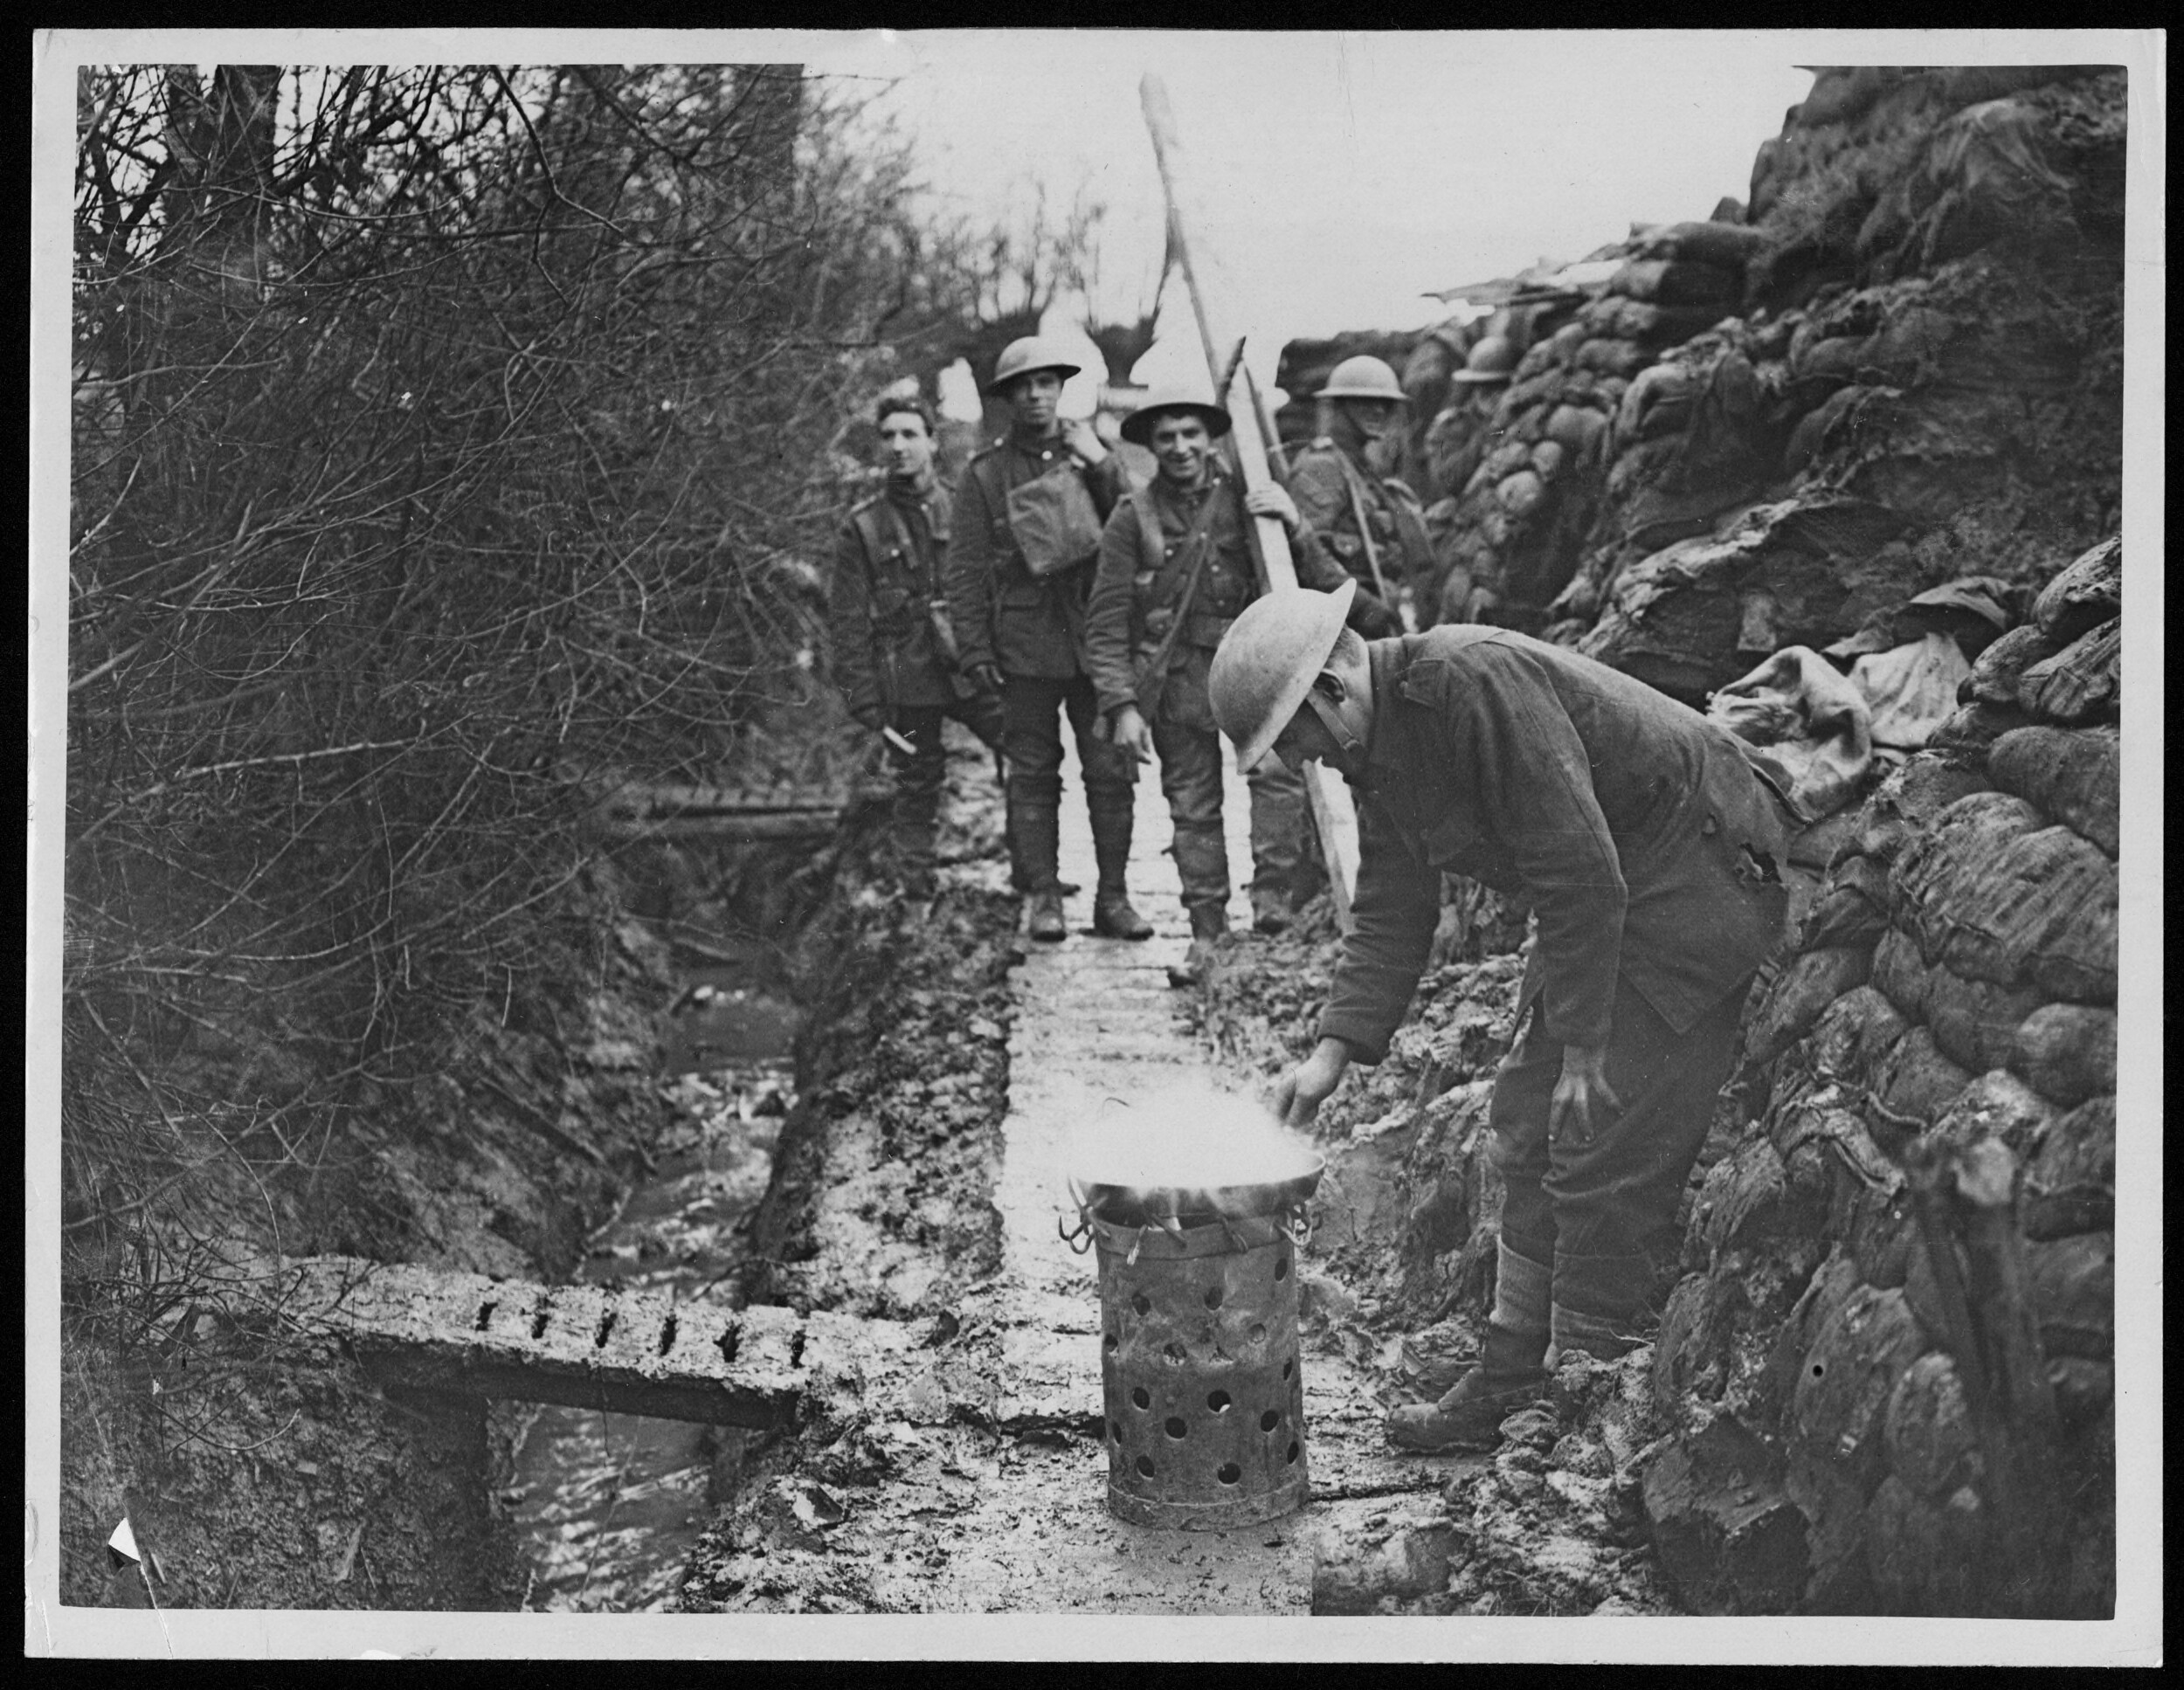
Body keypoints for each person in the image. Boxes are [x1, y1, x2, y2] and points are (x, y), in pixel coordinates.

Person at [1207, 587, 1791, 1451]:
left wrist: (1589, 1050)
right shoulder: (1384, 746)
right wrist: (1328, 1059)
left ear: (1332, 689)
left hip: (1693, 876)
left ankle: (1585, 1384)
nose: (1310, 766)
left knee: (1603, 1134)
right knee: (1524, 1119)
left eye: (1300, 744)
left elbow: (1581, 872)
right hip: (1606, 899)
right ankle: (1513, 1373)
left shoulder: (1469, 687)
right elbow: (1391, 912)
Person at [1083, 386, 1389, 981]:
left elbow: (1321, 581)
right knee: (1193, 806)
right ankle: (1207, 934)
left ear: (1212, 439)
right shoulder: (1132, 517)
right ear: (1151, 446)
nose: (1180, 448)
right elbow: (1105, 621)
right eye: (1166, 437)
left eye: (1191, 434)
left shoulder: (1250, 499)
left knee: (1278, 782)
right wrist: (1121, 702)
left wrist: (1294, 525)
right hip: (1179, 683)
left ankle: (1274, 912)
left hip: (1254, 671)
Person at [943, 335, 1151, 943]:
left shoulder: (1096, 455)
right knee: (1032, 772)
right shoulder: (986, 475)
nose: (1036, 395)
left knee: (1111, 769)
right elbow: (965, 569)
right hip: (1025, 645)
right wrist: (975, 649)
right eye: (1024, 386)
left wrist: (1104, 464)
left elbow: (1141, 526)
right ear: (1009, 398)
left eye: (1047, 383)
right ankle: (1043, 897)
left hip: (1096, 642)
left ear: (1062, 389)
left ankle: (1113, 897)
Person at [829, 392, 1006, 898]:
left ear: (932, 440)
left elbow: (996, 588)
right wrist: (863, 698)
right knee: (917, 778)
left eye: (910, 434)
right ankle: (915, 885)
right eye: (888, 436)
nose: (899, 446)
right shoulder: (862, 528)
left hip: (970, 662)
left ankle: (1035, 874)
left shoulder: (966, 505)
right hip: (907, 673)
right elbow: (846, 622)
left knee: (1023, 751)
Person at [1288, 355, 1434, 632]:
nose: (1378, 411)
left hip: (1371, 618)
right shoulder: (1323, 467)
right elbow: (1307, 552)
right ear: (1339, 407)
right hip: (1343, 622)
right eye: (1365, 402)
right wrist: (1363, 607)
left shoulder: (1361, 469)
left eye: (1384, 403)